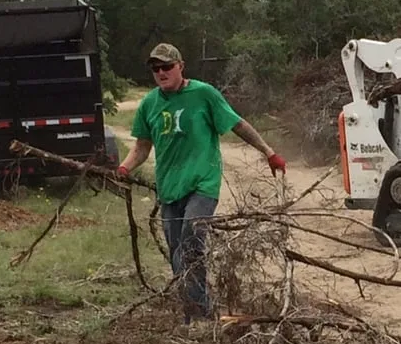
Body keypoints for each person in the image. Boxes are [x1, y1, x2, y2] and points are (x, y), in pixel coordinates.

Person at [117, 42, 286, 323]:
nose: (161, 72)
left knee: (191, 238)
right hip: (169, 189)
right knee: (176, 254)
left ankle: (202, 318)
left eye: (167, 66)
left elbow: (237, 124)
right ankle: (191, 315)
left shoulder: (203, 94)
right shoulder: (149, 104)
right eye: (155, 68)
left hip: (203, 184)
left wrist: (269, 153)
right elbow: (142, 148)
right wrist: (124, 167)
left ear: (180, 66)